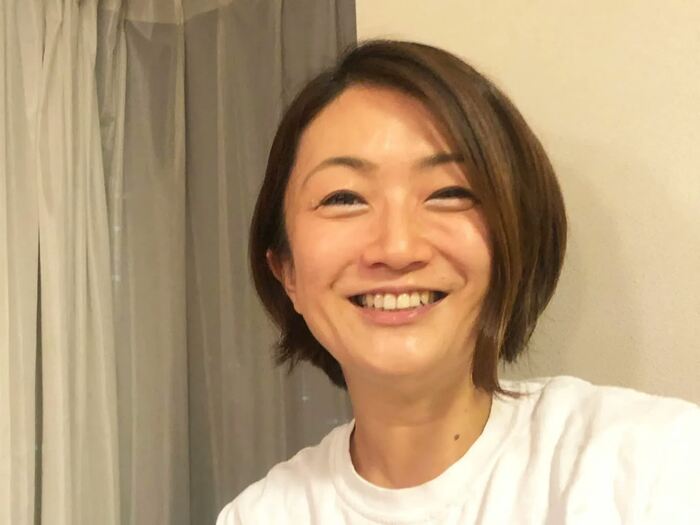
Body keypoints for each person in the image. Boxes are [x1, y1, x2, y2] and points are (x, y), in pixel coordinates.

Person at [217, 40, 700, 524]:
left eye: (449, 193)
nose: (397, 248)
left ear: (514, 240)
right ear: (287, 271)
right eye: (344, 198)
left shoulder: (651, 465)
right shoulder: (259, 515)